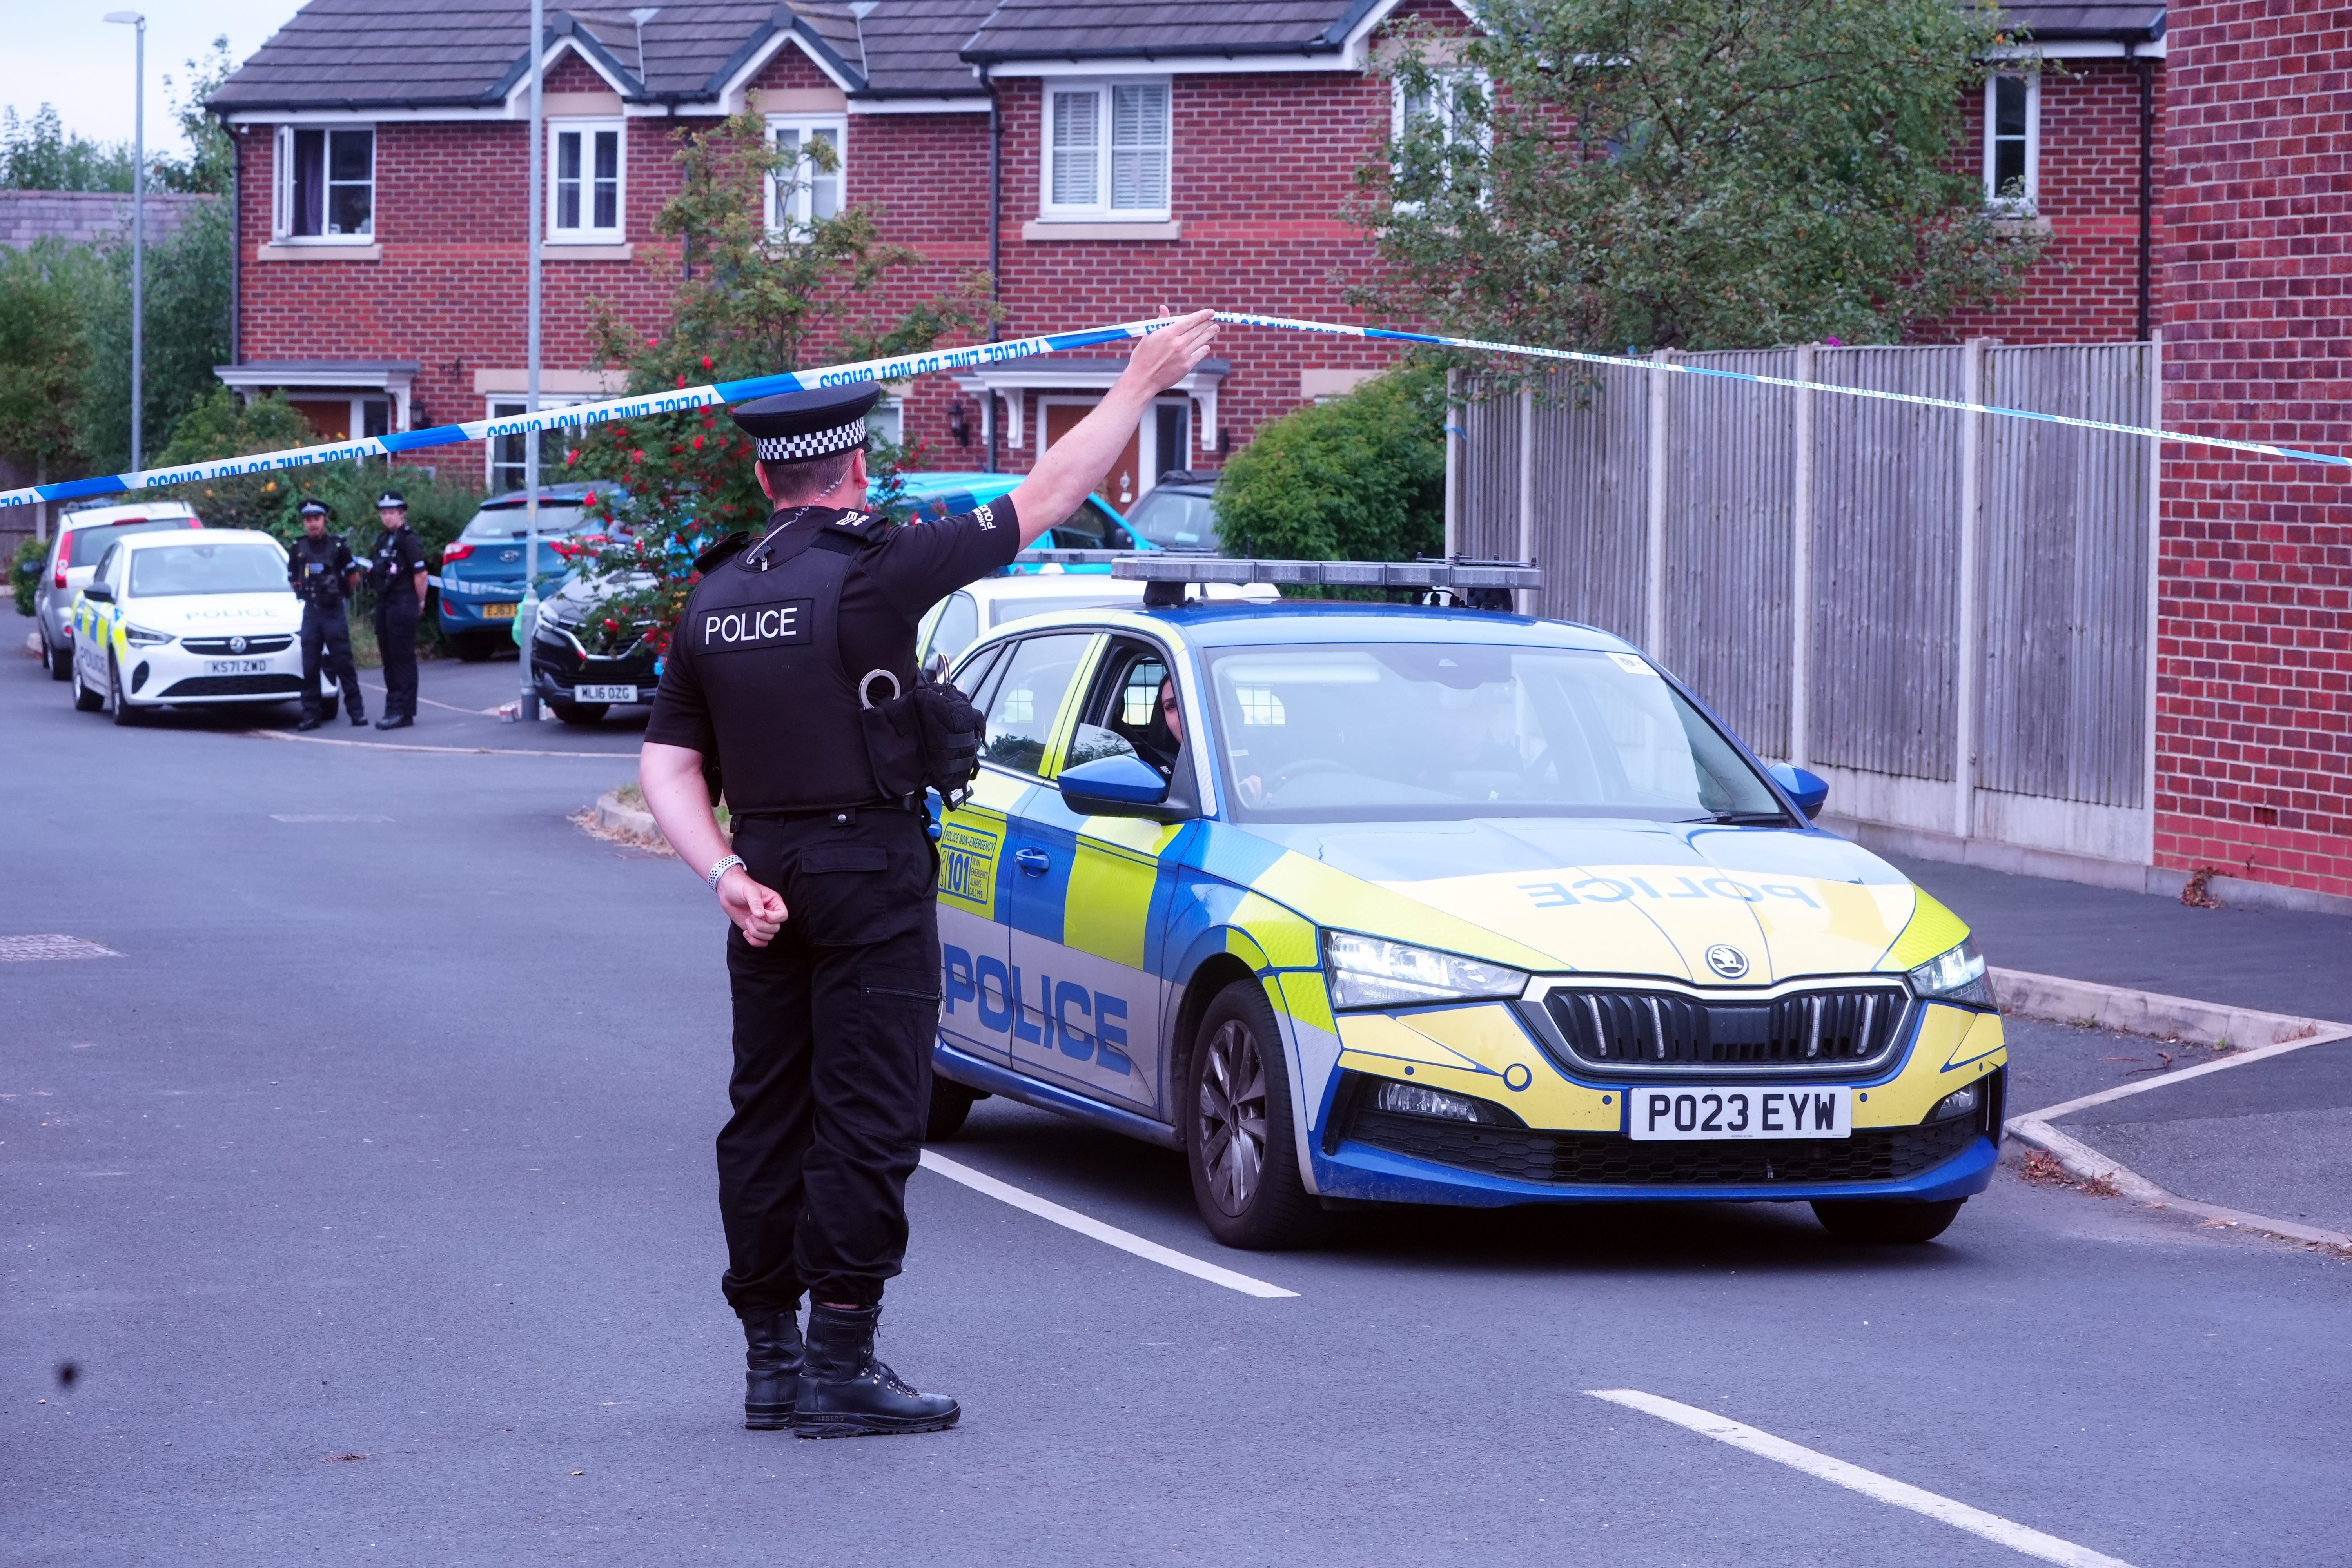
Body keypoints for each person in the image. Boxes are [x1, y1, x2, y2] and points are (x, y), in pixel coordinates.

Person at [637, 309, 1221, 1439]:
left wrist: (724, 877)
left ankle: (770, 1361)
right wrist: (1139, 385)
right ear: (853, 470)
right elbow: (1046, 498)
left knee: (767, 1116)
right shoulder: (879, 567)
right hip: (868, 868)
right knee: (869, 1111)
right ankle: (842, 1360)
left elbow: (667, 763)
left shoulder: (713, 598)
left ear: (767, 480)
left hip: (764, 876)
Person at [288, 499, 366, 730]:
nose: (313, 524)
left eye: (317, 519)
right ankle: (311, 715)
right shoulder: (298, 547)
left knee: (344, 663)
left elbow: (354, 578)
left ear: (325, 520)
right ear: (304, 522)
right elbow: (293, 580)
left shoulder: (339, 546)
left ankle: (357, 712)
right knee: (310, 665)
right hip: (312, 612)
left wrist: (340, 595)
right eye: (308, 520)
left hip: (334, 612)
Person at [367, 490, 428, 730]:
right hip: (385, 603)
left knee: (402, 660)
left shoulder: (407, 540)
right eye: (384, 513)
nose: (388, 518)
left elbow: (421, 575)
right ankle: (392, 707)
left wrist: (420, 603)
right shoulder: (384, 539)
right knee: (389, 659)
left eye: (392, 513)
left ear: (401, 514)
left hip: (403, 603)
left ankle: (404, 712)